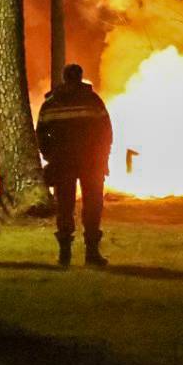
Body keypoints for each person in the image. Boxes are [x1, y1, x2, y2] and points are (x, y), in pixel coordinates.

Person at [37, 63, 112, 267]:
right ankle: (92, 253)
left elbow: (41, 134)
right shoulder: (93, 101)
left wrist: (50, 156)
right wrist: (103, 158)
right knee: (93, 207)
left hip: (63, 164)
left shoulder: (51, 103)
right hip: (91, 163)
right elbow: (106, 133)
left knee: (64, 207)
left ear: (64, 78)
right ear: (81, 77)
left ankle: (64, 254)